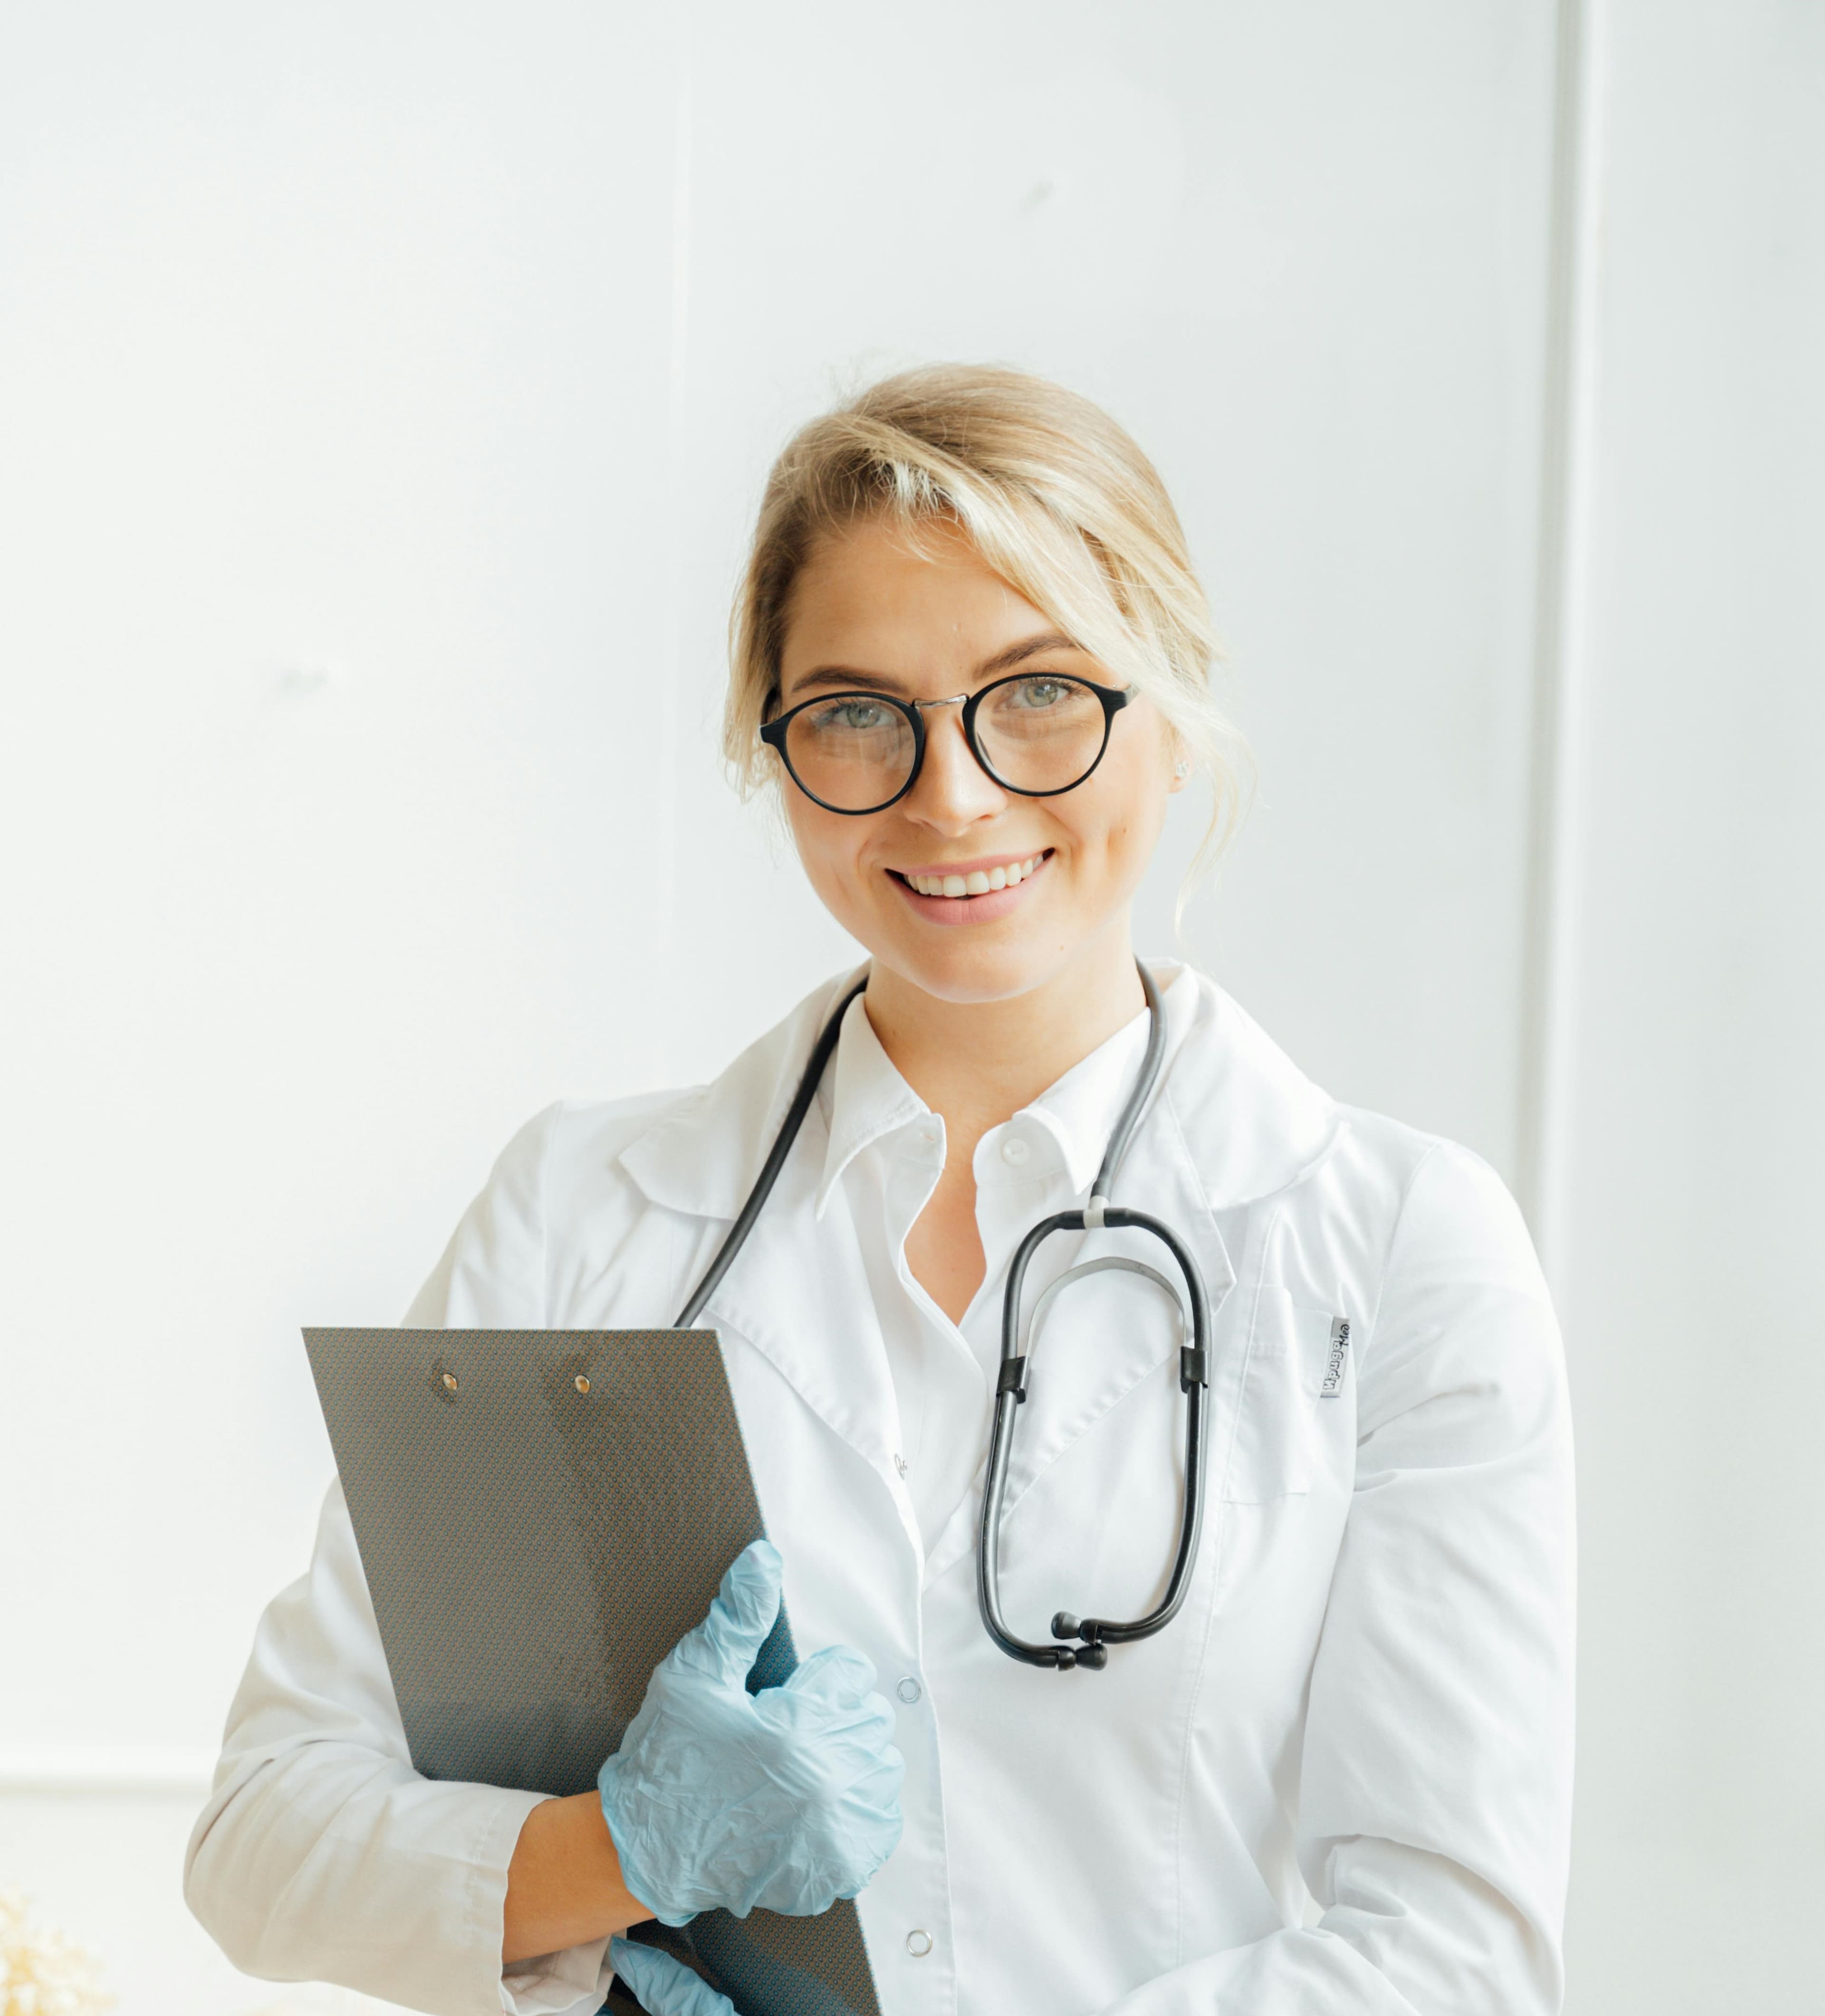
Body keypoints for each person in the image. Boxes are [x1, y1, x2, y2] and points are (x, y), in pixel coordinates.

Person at [185, 366, 1575, 2016]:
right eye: (855, 711)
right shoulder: (584, 1209)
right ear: (771, 749)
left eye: (1039, 690)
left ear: (1174, 708)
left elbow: (1453, 1951)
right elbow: (266, 1834)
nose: (954, 792)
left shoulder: (1396, 1246)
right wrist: (623, 1847)